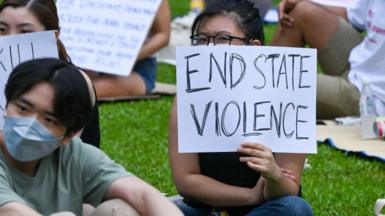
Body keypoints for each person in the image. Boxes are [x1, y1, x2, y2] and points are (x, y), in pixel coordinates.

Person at [168, 0, 313, 215]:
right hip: (206, 209)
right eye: (201, 40)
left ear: (253, 47)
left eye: (222, 39)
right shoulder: (188, 96)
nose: (209, 48)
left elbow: (289, 190)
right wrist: (250, 196)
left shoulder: (288, 91)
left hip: (267, 208)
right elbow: (186, 180)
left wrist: (274, 175)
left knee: (295, 209)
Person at [0, 58, 183, 216]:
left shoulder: (74, 155)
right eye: (23, 109)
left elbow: (143, 195)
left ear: (69, 135)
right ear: (7, 105)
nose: (31, 124)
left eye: (49, 119)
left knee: (119, 210)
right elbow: (11, 211)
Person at [0, 0, 101, 147]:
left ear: (52, 36)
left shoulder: (74, 81)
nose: (10, 38)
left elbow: (51, 150)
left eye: (25, 32)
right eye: (2, 29)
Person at [271, 0, 385, 119]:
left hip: (372, 96)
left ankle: (258, 99)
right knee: (300, 12)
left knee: (280, 84)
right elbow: (353, 15)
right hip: (363, 62)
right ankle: (259, 87)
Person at [86, 0, 171, 98]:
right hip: (90, 59)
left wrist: (126, 57)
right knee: (73, 85)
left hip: (137, 67)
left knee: (88, 90)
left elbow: (163, 36)